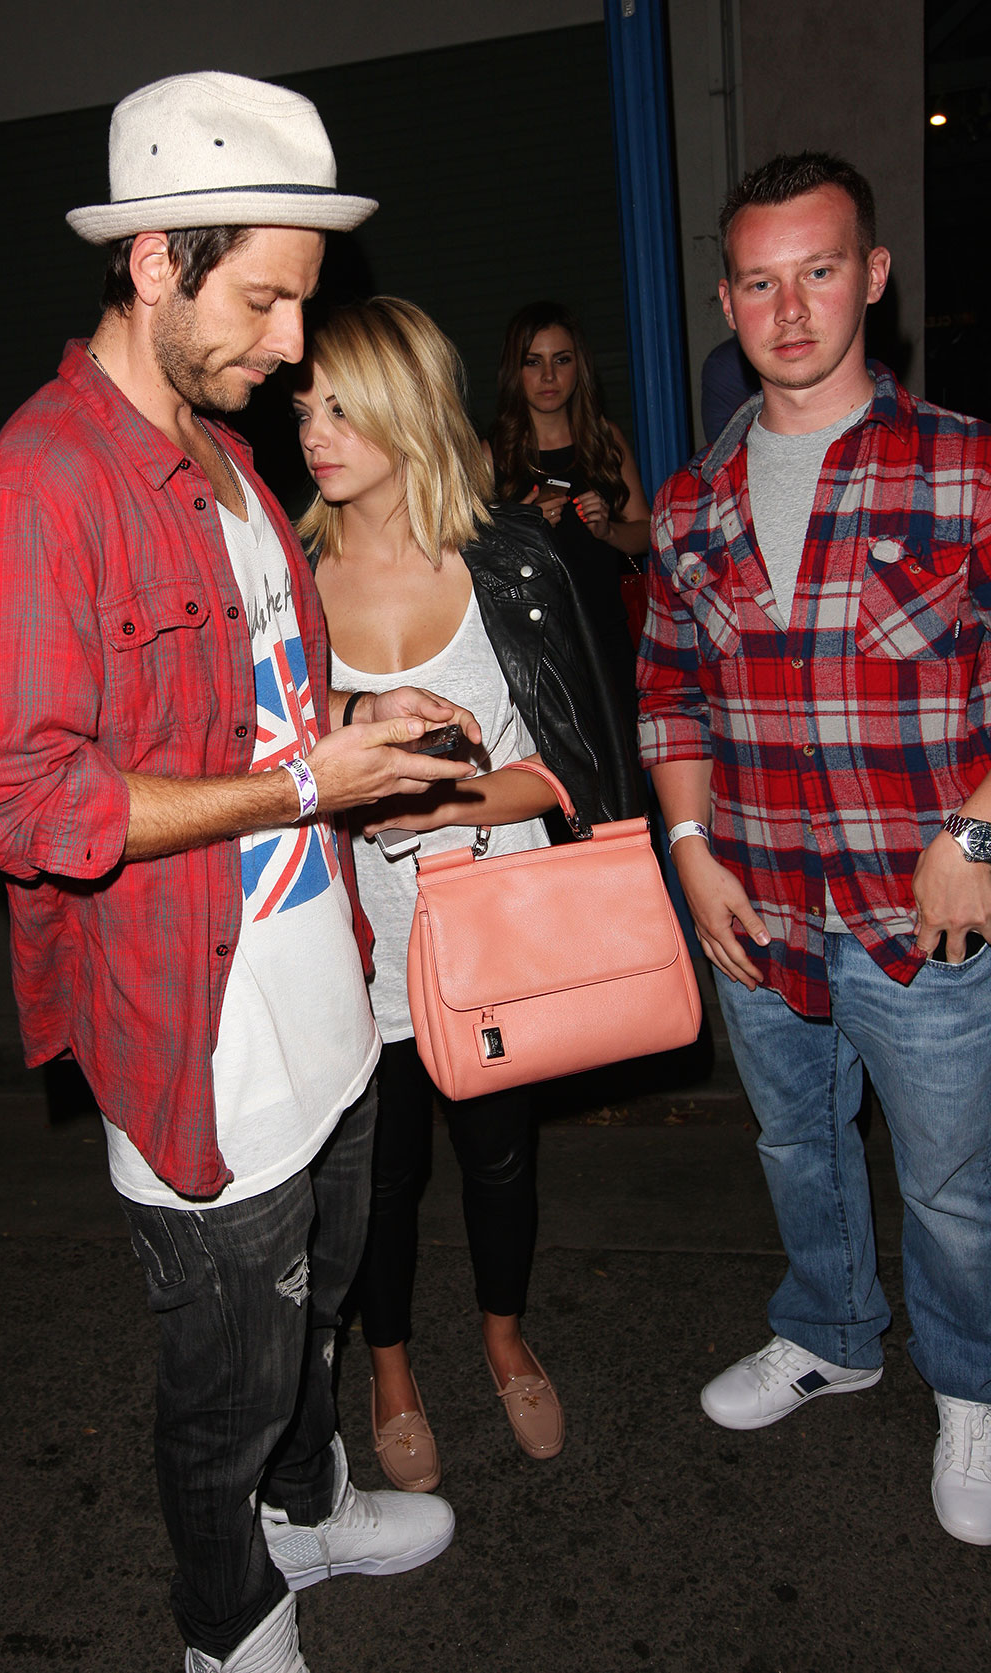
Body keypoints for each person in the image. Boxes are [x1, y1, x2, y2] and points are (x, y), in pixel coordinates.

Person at [0, 73, 478, 1673]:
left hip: (329, 1012)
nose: (294, 345)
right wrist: (309, 782)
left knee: (310, 1327)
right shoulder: (39, 490)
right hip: (204, 1047)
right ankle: (227, 1623)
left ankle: (306, 1510)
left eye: (301, 302)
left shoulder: (237, 467)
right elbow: (25, 805)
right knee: (223, 1385)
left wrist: (359, 729)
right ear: (154, 265)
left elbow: (260, 716)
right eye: (262, 300)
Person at [637, 151, 991, 1546]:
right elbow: (672, 692)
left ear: (874, 277)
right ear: (727, 299)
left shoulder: (965, 465)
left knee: (953, 1184)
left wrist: (977, 827)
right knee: (796, 1142)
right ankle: (834, 1330)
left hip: (931, 912)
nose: (790, 310)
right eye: (760, 282)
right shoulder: (689, 504)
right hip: (759, 905)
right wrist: (688, 849)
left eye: (821, 271)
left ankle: (973, 1383)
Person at [295, 297, 642, 1490]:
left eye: (343, 407)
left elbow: (572, 765)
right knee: (381, 1173)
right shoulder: (288, 580)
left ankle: (503, 1335)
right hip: (353, 939)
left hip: (495, 926)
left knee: (499, 1158)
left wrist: (449, 804)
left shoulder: (511, 562)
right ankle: (390, 1366)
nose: (315, 432)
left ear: (407, 411)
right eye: (305, 407)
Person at [486, 301, 650, 720]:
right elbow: (472, 561)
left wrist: (609, 531)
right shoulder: (491, 455)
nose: (548, 376)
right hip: (536, 648)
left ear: (580, 366)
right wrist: (523, 526)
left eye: (561, 360)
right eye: (532, 362)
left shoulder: (604, 439)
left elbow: (645, 531)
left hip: (607, 635)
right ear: (514, 370)